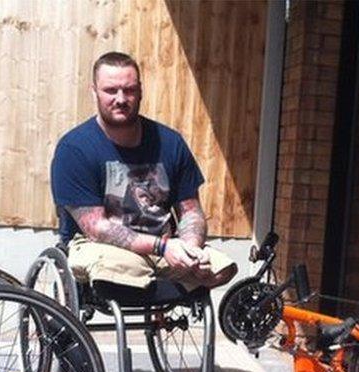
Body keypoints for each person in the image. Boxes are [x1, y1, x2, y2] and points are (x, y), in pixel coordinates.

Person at [50, 51, 236, 290]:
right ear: (94, 91)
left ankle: (165, 274)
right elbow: (97, 228)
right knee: (119, 274)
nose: (120, 98)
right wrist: (161, 247)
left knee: (222, 268)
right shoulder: (74, 149)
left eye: (129, 90)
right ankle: (147, 279)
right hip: (101, 248)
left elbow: (190, 211)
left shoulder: (170, 142)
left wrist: (191, 248)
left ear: (140, 91)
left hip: (166, 247)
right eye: (110, 90)